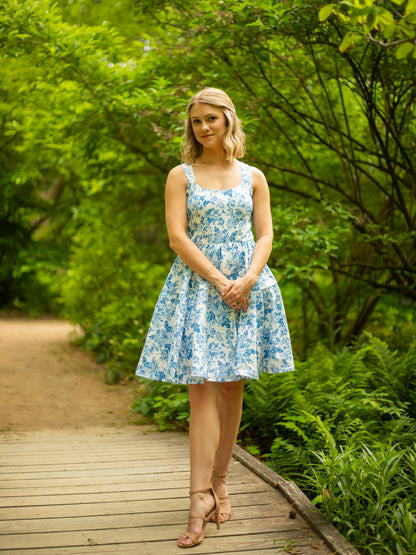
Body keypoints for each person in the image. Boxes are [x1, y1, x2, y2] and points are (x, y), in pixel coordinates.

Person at [136, 87, 295, 548]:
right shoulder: (180, 175)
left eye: (211, 119)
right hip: (198, 290)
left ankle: (220, 480)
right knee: (201, 393)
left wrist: (246, 278)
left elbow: (265, 235)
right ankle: (196, 499)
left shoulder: (254, 176)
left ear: (228, 119)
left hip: (249, 287)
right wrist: (219, 280)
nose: (203, 128)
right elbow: (177, 238)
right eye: (196, 122)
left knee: (231, 388)